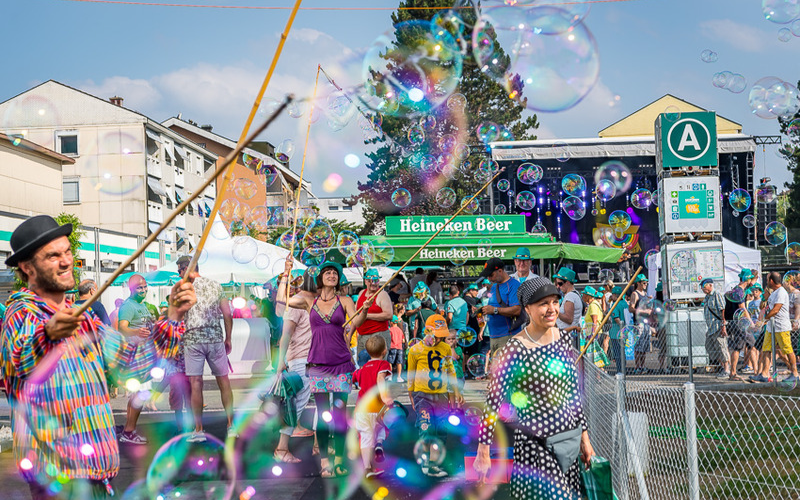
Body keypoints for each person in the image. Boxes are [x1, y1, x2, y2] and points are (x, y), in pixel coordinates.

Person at [0, 215, 193, 499]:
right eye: (53, 256)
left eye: (67, 252)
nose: (66, 261)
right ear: (27, 267)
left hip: (95, 471)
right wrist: (49, 336)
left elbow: (134, 361)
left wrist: (174, 314)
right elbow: (21, 362)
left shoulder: (84, 318)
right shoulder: (22, 312)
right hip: (59, 475)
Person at [474, 277, 594, 498]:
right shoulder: (515, 348)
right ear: (527, 308)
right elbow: (493, 402)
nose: (551, 309)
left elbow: (573, 396)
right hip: (535, 445)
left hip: (567, 442)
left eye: (554, 302)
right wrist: (483, 450)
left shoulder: (563, 340)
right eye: (543, 304)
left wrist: (585, 440)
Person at [280, 260, 371, 478]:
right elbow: (281, 299)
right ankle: (324, 463)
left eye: (335, 272)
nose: (332, 275)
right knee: (323, 416)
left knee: (339, 416)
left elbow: (356, 320)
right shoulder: (308, 301)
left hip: (341, 365)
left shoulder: (346, 300)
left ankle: (338, 460)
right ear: (320, 278)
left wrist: (365, 311)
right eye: (327, 272)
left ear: (339, 279)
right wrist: (286, 273)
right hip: (318, 365)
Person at [175, 255, 236, 442]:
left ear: (186, 269)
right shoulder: (215, 285)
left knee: (196, 384)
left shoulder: (182, 288)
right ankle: (231, 426)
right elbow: (227, 314)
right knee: (224, 382)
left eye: (179, 271)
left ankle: (199, 430)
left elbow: (177, 317)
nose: (179, 275)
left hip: (193, 339)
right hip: (215, 338)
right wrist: (228, 338)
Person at [407, 314, 462, 478]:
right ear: (426, 331)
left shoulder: (445, 348)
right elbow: (411, 373)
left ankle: (435, 462)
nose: (438, 340)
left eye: (441, 337)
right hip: (422, 395)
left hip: (441, 396)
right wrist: (411, 393)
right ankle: (426, 462)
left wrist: (456, 392)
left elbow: (450, 370)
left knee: (441, 429)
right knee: (426, 427)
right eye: (436, 336)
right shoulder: (415, 350)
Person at [273, 270, 316, 464]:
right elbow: (286, 333)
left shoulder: (316, 301)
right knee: (296, 402)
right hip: (301, 359)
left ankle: (319, 445)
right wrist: (280, 361)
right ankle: (281, 448)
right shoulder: (300, 301)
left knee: (322, 401)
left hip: (313, 359)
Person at [116, 274, 157, 444]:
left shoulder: (142, 305)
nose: (143, 290)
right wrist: (136, 332)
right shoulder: (128, 306)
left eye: (145, 286)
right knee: (140, 394)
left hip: (143, 355)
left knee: (137, 395)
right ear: (132, 289)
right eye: (139, 288)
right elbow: (122, 327)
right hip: (135, 356)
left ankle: (128, 429)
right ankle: (129, 431)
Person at [352, 335, 394, 478]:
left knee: (365, 436)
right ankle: (379, 444)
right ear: (385, 350)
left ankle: (367, 468)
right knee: (381, 427)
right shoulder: (383, 365)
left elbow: (354, 377)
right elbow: (380, 379)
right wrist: (384, 397)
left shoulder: (362, 369)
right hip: (377, 408)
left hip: (362, 409)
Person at [751, 272, 799, 384]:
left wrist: (764, 319)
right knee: (766, 349)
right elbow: (768, 308)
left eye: (767, 279)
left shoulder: (781, 292)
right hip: (771, 327)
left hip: (781, 327)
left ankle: (795, 374)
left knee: (787, 350)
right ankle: (764, 374)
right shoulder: (774, 293)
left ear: (771, 281)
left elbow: (776, 309)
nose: (766, 281)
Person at [480, 258, 522, 361]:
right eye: (488, 276)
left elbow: (517, 310)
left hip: (507, 336)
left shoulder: (514, 285)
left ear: (500, 271)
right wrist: (482, 310)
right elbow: (493, 307)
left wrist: (494, 310)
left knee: (507, 374)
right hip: (494, 336)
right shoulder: (495, 287)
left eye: (491, 275)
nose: (489, 279)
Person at [355, 268, 394, 367]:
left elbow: (389, 315)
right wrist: (350, 335)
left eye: (375, 280)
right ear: (365, 281)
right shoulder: (361, 293)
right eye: (370, 281)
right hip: (362, 336)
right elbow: (356, 316)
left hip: (378, 335)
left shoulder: (382, 294)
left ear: (379, 281)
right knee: (363, 368)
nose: (373, 283)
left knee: (377, 368)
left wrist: (366, 315)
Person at [725, 269, 757, 381]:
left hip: (735, 323)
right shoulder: (739, 291)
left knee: (740, 346)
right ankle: (755, 372)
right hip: (740, 324)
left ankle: (734, 373)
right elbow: (742, 308)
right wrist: (751, 323)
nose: (751, 282)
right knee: (752, 344)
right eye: (751, 279)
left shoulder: (735, 290)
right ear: (747, 279)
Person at [701, 278, 732, 380]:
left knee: (721, 347)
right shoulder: (707, 297)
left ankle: (727, 369)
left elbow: (722, 309)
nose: (702, 288)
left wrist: (723, 325)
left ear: (710, 285)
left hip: (718, 326)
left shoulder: (716, 295)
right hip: (710, 327)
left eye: (704, 286)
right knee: (710, 347)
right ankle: (722, 366)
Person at [554, 267, 583, 349]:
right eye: (556, 284)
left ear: (567, 282)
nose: (558, 286)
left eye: (560, 284)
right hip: (568, 336)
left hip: (567, 338)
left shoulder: (570, 296)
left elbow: (569, 319)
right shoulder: (574, 294)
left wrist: (555, 311)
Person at [628, 273, 652, 374]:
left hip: (646, 323)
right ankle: (637, 366)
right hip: (639, 323)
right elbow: (631, 308)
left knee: (645, 346)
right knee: (638, 346)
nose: (645, 284)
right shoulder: (635, 294)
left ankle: (643, 365)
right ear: (638, 283)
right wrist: (643, 311)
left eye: (646, 282)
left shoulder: (645, 294)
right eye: (643, 282)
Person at [608, 286, 628, 374]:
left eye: (612, 294)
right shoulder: (625, 303)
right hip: (625, 332)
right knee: (622, 352)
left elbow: (616, 318)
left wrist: (621, 326)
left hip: (616, 332)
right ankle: (624, 368)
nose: (611, 296)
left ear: (615, 295)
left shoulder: (615, 304)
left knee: (617, 352)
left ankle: (620, 370)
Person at [582, 286, 604, 351]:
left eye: (584, 295)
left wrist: (592, 335)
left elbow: (595, 321)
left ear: (588, 296)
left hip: (594, 335)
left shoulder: (593, 305)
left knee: (592, 355)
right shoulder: (594, 304)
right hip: (593, 334)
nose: (582, 297)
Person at [445, 329, 466, 396]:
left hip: (458, 376)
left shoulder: (458, 349)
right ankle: (452, 406)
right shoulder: (445, 350)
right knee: (451, 393)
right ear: (445, 340)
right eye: (449, 339)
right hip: (449, 376)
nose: (451, 340)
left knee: (459, 393)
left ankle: (460, 406)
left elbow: (454, 357)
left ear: (457, 340)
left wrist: (452, 347)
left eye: (453, 339)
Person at [388, 315, 406, 383]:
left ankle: (390, 376)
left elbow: (389, 339)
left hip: (392, 347)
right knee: (399, 363)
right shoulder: (400, 330)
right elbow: (403, 340)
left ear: (391, 322)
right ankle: (399, 377)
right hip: (399, 348)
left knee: (390, 362)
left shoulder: (390, 330)